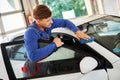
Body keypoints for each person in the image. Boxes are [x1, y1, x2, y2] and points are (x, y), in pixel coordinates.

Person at [23, 4, 90, 77]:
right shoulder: (30, 33)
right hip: (33, 69)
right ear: (38, 21)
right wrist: (54, 45)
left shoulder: (48, 23)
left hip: (45, 62)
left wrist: (77, 31)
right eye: (48, 20)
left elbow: (65, 22)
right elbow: (33, 56)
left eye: (51, 19)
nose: (51, 22)